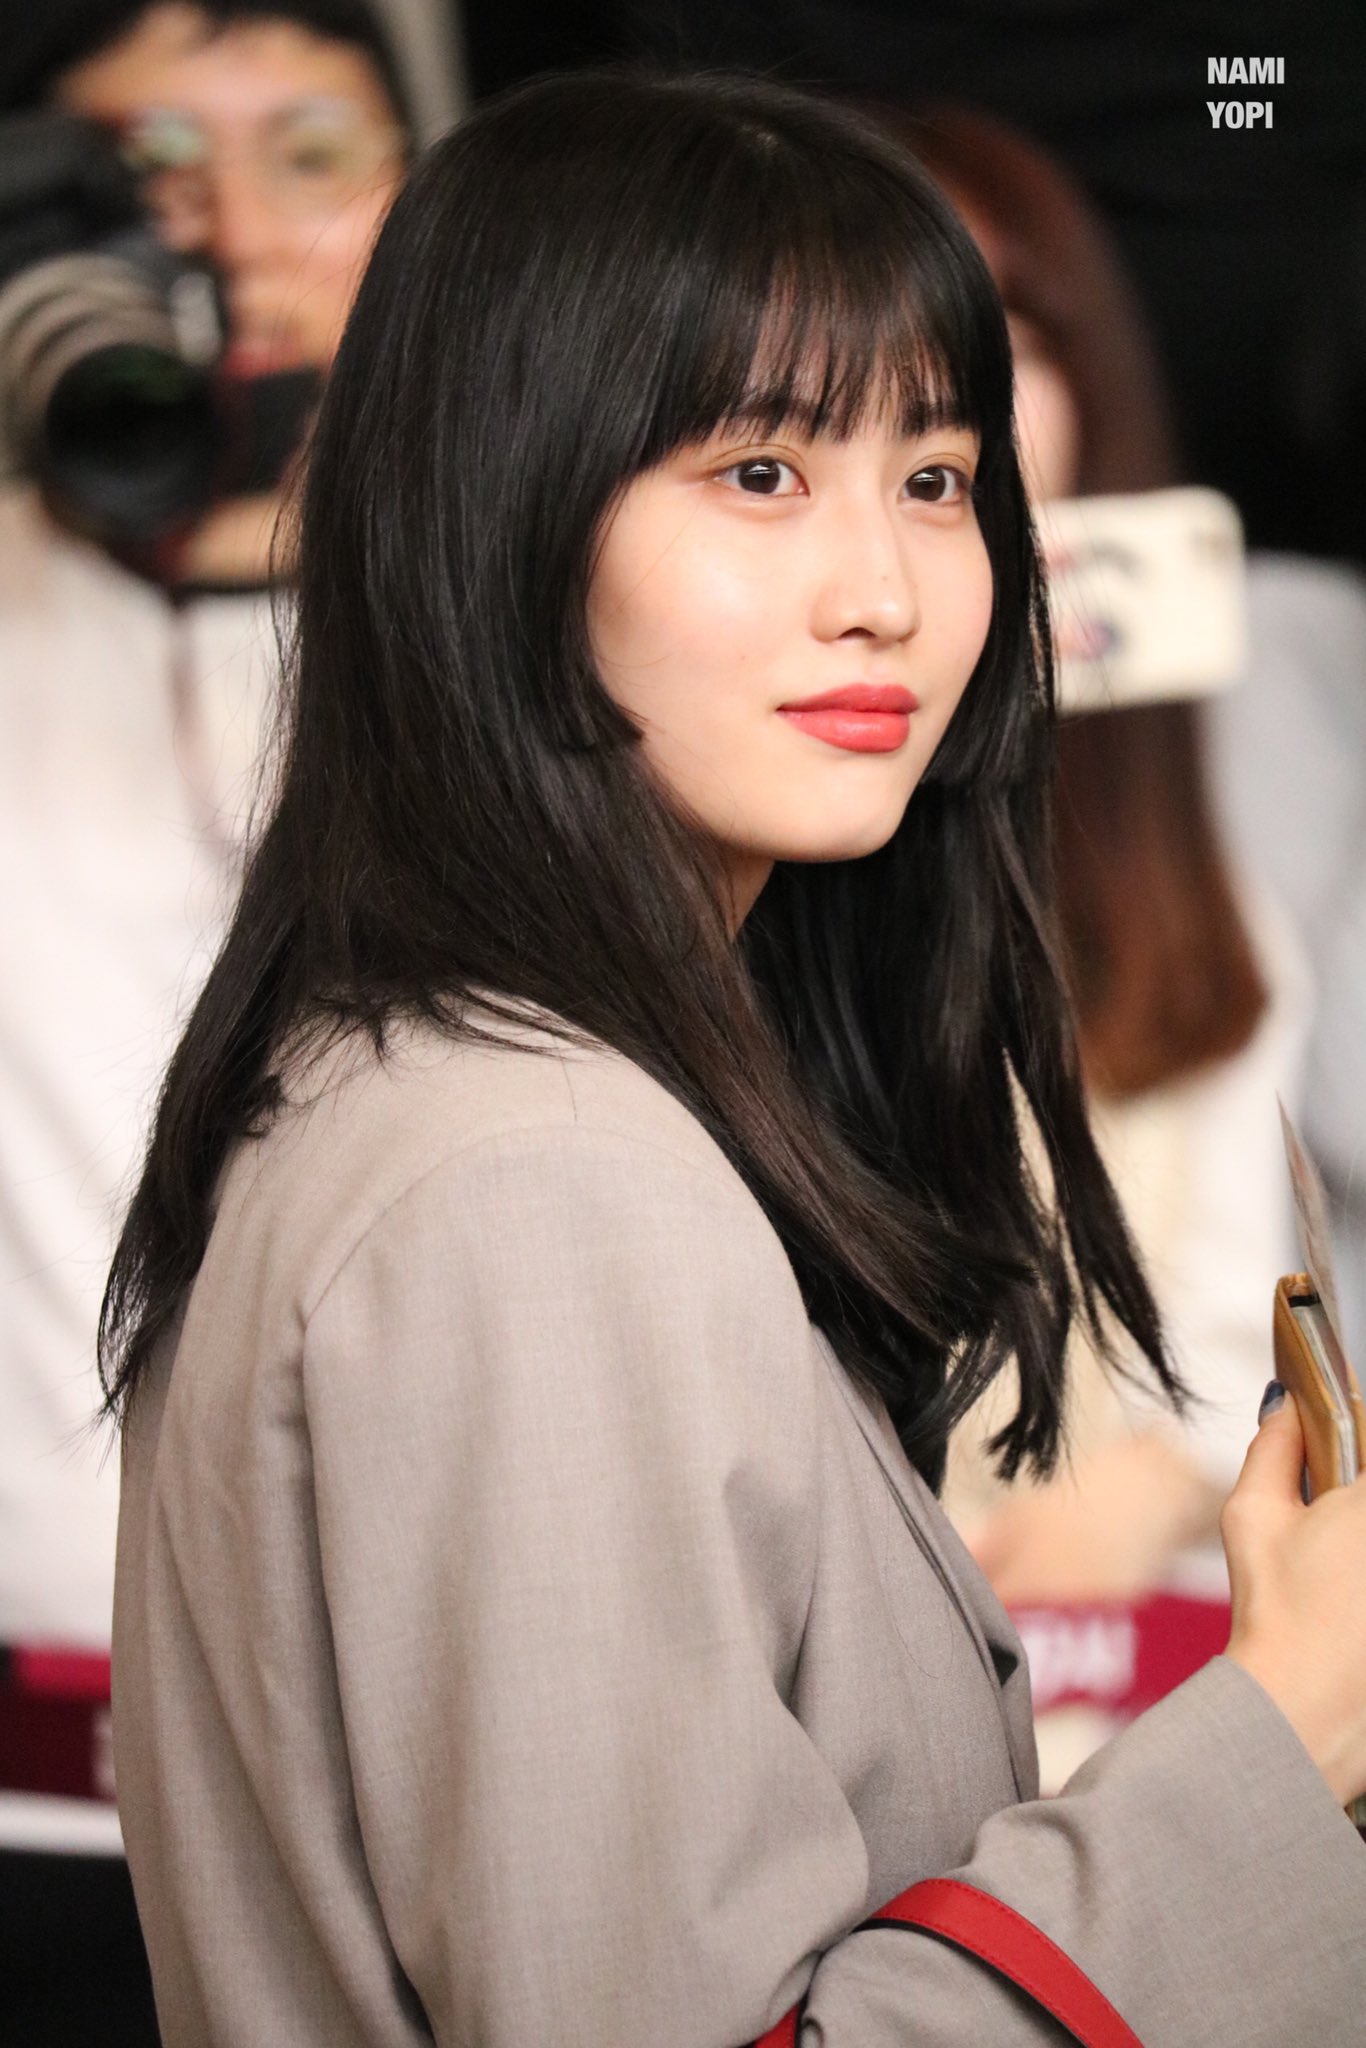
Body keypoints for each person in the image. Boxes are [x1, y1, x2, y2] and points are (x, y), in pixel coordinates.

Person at [103, 68, 1366, 2047]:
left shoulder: (460, 1080)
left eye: (933, 477)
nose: (886, 593)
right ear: (503, 513)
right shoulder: (538, 1180)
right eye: (760, 472)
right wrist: (1280, 1737)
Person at [0, 3, 409, 2039]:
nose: (238, 233)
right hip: (37, 1802)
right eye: (150, 171)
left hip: (439, 1799)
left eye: (309, 155)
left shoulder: (581, 628)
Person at [872, 107, 1313, 1616]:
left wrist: (1161, 1480)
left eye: (1003, 347)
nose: (951, 421)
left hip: (1116, 1650)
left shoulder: (1182, 892)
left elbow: (1240, 1317)